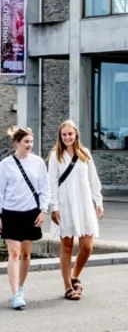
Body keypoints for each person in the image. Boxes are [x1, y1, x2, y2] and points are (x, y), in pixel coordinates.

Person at [48, 120, 104, 301]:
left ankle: (75, 275)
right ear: (60, 136)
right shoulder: (55, 156)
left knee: (87, 246)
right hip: (65, 204)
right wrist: (54, 207)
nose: (67, 137)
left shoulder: (84, 154)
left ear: (76, 134)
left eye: (70, 134)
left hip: (84, 203)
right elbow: (51, 184)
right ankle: (67, 286)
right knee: (67, 245)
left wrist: (98, 202)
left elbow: (93, 179)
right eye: (64, 135)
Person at [0, 126, 50, 310]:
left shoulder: (38, 163)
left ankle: (20, 288)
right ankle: (14, 295)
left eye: (31, 141)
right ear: (16, 143)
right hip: (10, 212)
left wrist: (43, 210)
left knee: (26, 254)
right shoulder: (5, 164)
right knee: (14, 253)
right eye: (25, 142)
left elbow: (45, 189)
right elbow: (0, 191)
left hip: (31, 212)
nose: (29, 145)